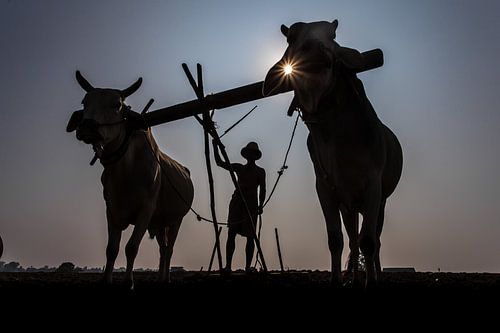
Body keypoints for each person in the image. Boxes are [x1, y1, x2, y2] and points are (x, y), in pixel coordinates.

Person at [212, 140, 266, 273]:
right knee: (231, 233)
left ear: (255, 156)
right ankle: (228, 266)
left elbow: (263, 189)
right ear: (246, 155)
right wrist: (215, 146)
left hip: (251, 204)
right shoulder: (239, 168)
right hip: (237, 203)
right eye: (249, 153)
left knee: (251, 236)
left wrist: (260, 205)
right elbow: (220, 163)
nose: (251, 156)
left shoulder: (260, 171)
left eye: (253, 154)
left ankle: (248, 267)